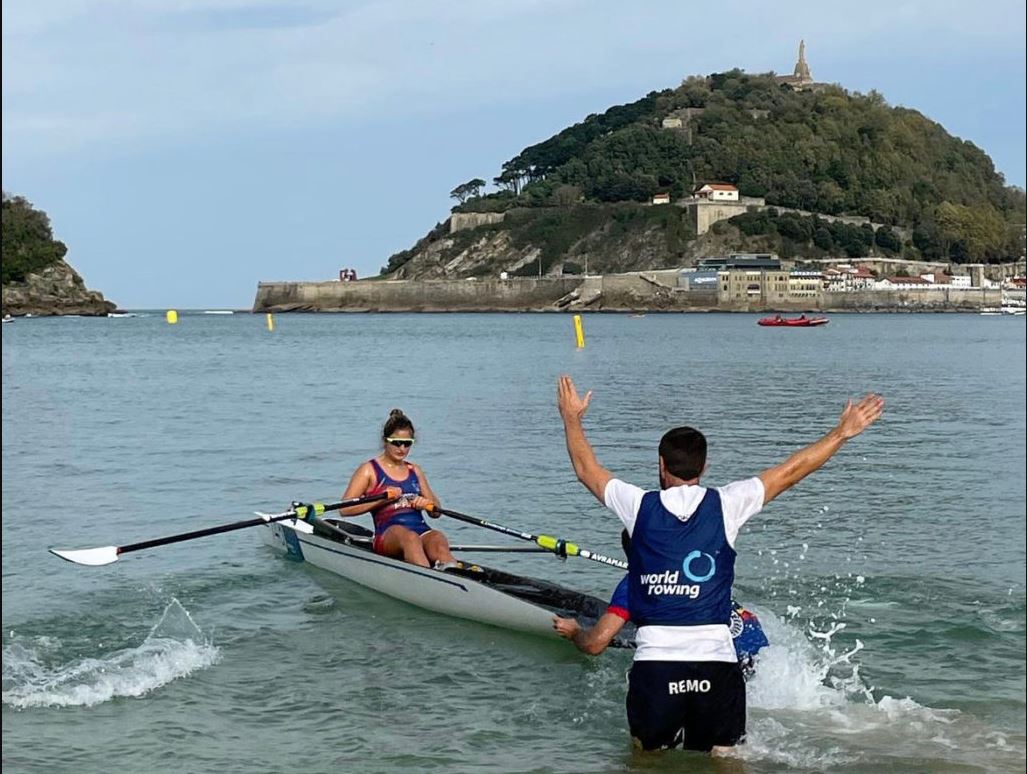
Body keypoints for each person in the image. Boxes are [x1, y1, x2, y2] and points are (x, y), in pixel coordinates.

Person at [555, 375, 883, 754]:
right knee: (725, 761)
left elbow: (585, 469)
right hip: (717, 666)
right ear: (704, 467)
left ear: (661, 466)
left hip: (657, 666)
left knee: (644, 760)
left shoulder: (637, 505)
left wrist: (571, 417)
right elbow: (792, 470)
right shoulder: (728, 504)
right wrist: (841, 433)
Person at [553, 531, 769, 678]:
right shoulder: (698, 564)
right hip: (761, 649)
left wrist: (575, 632)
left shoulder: (636, 582)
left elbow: (595, 645)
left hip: (723, 665)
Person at [339, 408, 457, 569]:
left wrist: (427, 503)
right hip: (388, 535)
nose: (402, 448)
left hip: (421, 530)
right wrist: (382, 499)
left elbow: (436, 512)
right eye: (396, 442)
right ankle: (428, 580)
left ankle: (455, 575)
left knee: (438, 538)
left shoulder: (415, 470)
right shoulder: (369, 470)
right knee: (410, 538)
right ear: (385, 441)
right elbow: (345, 509)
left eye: (407, 443)